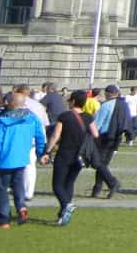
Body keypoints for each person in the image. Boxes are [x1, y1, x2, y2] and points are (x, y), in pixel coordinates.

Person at [0, 91, 47, 228]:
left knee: (1, 189)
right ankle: (21, 208)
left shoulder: (2, 120)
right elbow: (40, 136)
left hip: (4, 159)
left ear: (11, 103)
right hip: (21, 158)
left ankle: (4, 219)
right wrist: (41, 152)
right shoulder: (32, 118)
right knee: (18, 186)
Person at [41, 89, 92, 226]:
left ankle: (66, 205)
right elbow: (96, 133)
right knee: (69, 184)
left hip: (65, 153)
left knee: (57, 185)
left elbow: (55, 135)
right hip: (79, 156)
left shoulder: (64, 116)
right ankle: (62, 215)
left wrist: (47, 151)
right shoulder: (88, 117)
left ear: (73, 101)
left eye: (69, 99)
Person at [90, 85, 130, 199]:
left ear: (107, 94)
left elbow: (97, 124)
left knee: (98, 163)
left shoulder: (105, 106)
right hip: (117, 137)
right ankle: (97, 188)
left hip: (104, 137)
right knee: (103, 163)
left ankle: (112, 182)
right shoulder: (124, 105)